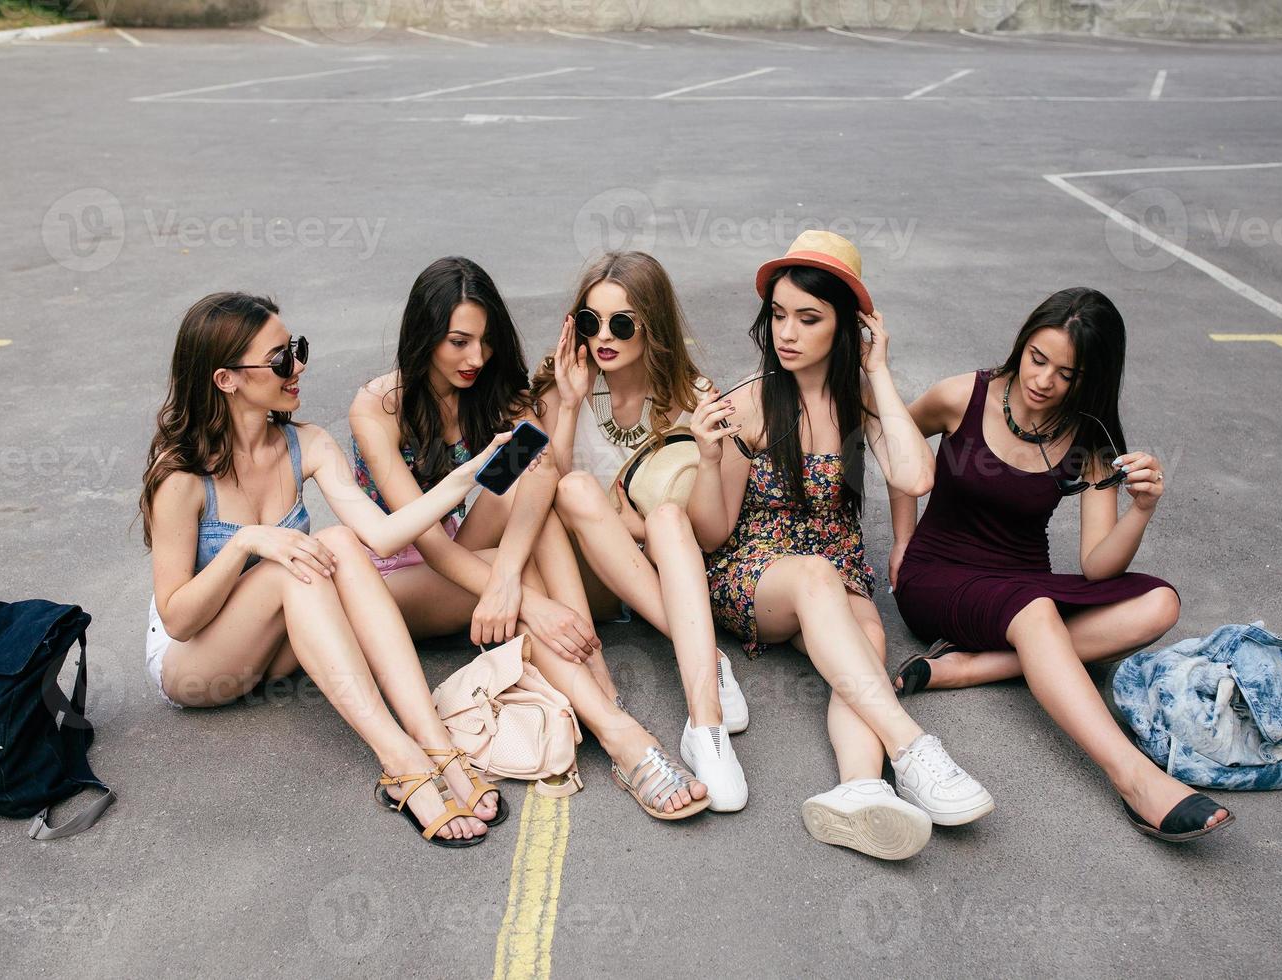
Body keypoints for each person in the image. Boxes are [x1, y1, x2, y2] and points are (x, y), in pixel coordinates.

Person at [141, 292, 514, 847]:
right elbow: (177, 619)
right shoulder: (181, 478)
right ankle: (400, 759)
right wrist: (246, 543)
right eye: (278, 359)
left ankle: (434, 740)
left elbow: (382, 534)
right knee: (288, 562)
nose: (298, 366)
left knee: (337, 540)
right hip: (196, 661)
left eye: (296, 348)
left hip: (280, 642)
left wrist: (465, 479)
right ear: (226, 379)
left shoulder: (305, 444)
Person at [688, 231, 994, 861]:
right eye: (778, 315)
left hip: (835, 571)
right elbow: (713, 535)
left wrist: (878, 372)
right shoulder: (750, 403)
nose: (787, 333)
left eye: (808, 318)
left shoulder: (858, 400)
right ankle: (913, 748)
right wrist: (709, 454)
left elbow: (916, 477)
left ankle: (859, 790)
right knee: (817, 580)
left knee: (868, 638)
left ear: (847, 327)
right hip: (757, 574)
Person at [888, 286, 1233, 842]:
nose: (1043, 380)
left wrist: (1142, 508)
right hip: (938, 576)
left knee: (1159, 603)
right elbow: (893, 442)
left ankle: (972, 667)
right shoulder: (961, 396)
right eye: (1037, 358)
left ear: (1088, 379)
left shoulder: (1088, 438)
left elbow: (1098, 567)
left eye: (1065, 374)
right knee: (1036, 613)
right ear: (1022, 345)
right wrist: (902, 538)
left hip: (1024, 584)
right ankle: (1136, 780)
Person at [531, 251, 747, 814]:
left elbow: (714, 531)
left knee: (669, 518)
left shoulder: (693, 396)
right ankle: (706, 656)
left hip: (664, 569)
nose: (603, 337)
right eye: (590, 321)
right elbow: (541, 489)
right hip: (588, 578)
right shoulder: (563, 386)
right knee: (575, 489)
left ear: (652, 325)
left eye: (621, 324)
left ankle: (707, 728)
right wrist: (571, 404)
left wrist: (706, 453)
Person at [348, 256, 602, 664]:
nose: (477, 359)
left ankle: (597, 682)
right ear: (424, 336)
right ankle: (599, 693)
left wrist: (570, 406)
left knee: (530, 495)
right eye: (459, 342)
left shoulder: (486, 387)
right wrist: (522, 596)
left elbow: (544, 472)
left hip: (456, 547)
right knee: (526, 576)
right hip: (389, 573)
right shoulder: (379, 407)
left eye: (485, 341)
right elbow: (425, 538)